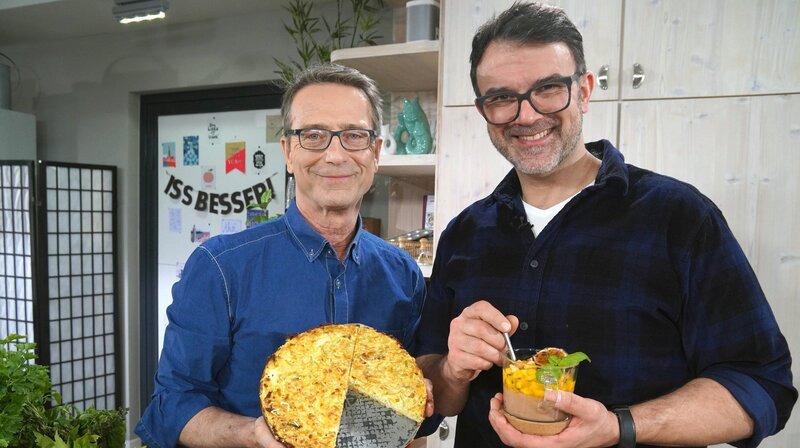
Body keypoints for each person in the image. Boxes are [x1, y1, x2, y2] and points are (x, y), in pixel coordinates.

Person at [415, 3, 796, 448]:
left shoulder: (681, 218)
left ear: (586, 90)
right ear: (483, 111)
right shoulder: (463, 233)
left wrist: (621, 427)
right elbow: (433, 396)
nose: (527, 115)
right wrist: (450, 371)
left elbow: (760, 385)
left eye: (549, 88)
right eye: (502, 97)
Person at [136, 64, 432, 447]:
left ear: (375, 153)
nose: (335, 154)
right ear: (288, 152)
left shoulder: (402, 273)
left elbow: (404, 415)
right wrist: (252, 434)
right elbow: (170, 406)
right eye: (313, 136)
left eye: (354, 135)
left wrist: (412, 399)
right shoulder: (221, 267)